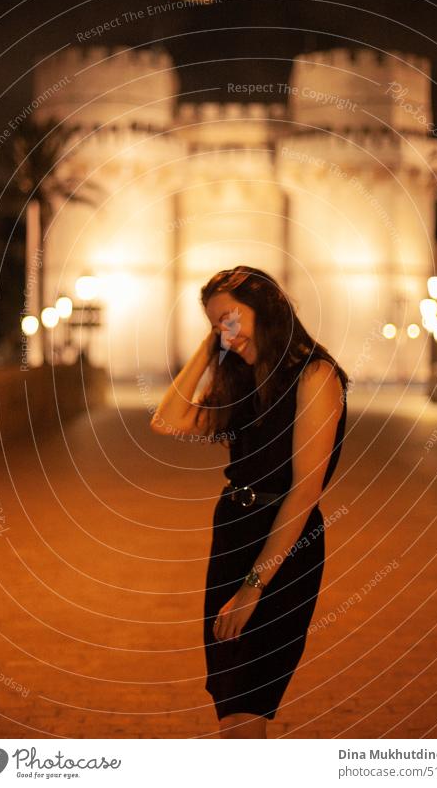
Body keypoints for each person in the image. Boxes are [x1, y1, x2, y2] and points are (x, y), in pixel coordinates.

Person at [151, 266, 349, 738]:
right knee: (230, 711)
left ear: (265, 309)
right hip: (232, 532)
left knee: (247, 710)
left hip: (283, 546)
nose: (227, 331)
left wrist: (253, 588)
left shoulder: (316, 376)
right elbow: (167, 419)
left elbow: (304, 491)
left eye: (232, 317)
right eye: (216, 322)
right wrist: (210, 345)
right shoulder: (241, 382)